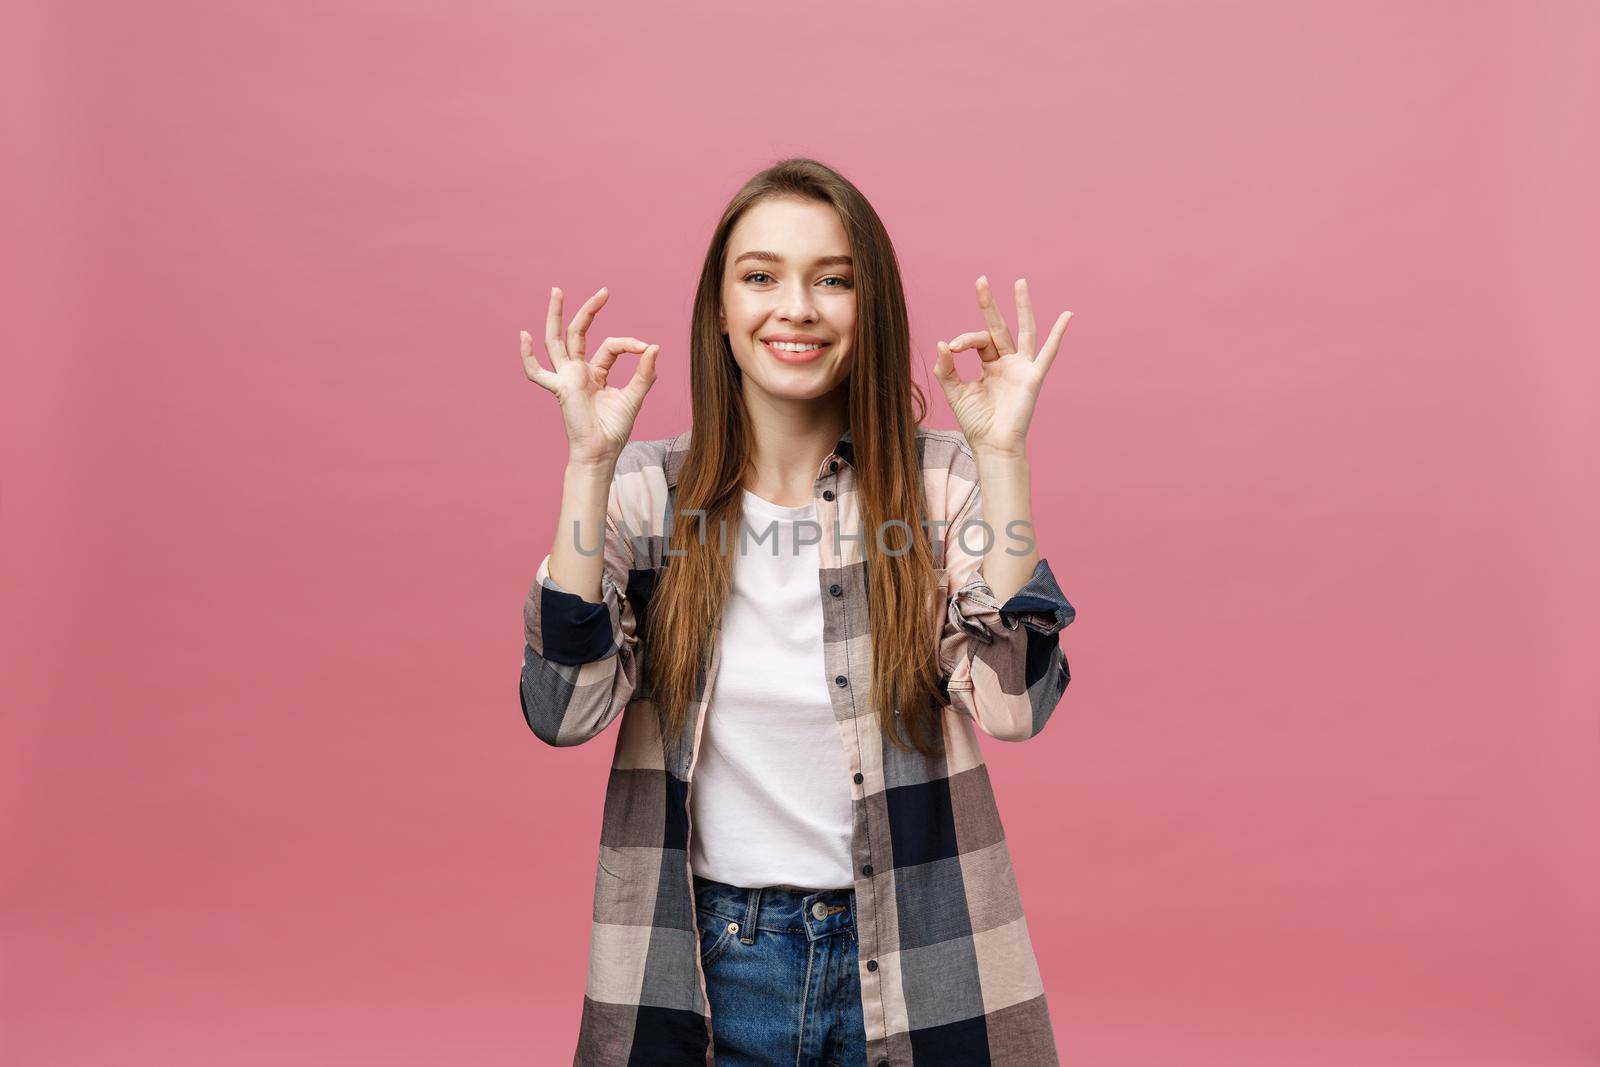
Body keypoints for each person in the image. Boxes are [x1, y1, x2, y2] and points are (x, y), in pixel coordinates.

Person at [517, 157, 1077, 1067]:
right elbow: (561, 707)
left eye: (833, 279)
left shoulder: (942, 486)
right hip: (706, 969)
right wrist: (586, 466)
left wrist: (1005, 454)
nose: (798, 308)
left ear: (872, 307)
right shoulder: (643, 495)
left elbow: (1015, 707)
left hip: (914, 958)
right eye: (762, 276)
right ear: (722, 310)